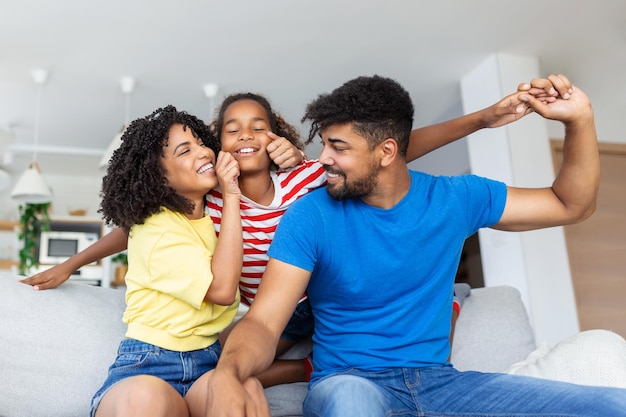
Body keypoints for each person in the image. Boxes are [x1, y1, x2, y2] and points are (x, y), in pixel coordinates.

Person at [21, 86, 547, 386]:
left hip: (332, 297)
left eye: (259, 124)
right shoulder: (213, 203)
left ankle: (437, 310)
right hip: (279, 308)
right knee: (229, 344)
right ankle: (300, 367)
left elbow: (395, 147)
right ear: (216, 143)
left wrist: (481, 120)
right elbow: (136, 226)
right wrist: (73, 262)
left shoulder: (305, 176)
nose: (246, 133)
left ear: (276, 134)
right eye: (232, 127)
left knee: (389, 302)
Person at [205, 74, 626, 417]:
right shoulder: (309, 216)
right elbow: (262, 323)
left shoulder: (455, 199)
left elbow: (570, 204)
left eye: (338, 147)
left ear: (387, 152)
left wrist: (579, 120)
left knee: (611, 404)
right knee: (351, 402)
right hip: (350, 383)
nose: (322, 160)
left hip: (441, 385)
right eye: (324, 144)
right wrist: (228, 373)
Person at [87, 105, 269, 417]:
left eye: (202, 143)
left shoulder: (215, 215)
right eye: (185, 150)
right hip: (148, 363)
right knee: (146, 399)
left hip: (208, 360)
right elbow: (223, 291)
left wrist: (290, 153)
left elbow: (124, 232)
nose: (204, 153)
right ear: (160, 177)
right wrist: (231, 195)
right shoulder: (155, 226)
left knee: (247, 390)